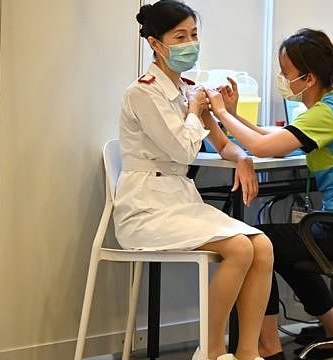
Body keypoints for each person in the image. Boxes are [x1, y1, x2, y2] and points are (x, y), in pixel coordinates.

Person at [205, 29, 333, 359]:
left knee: (258, 241)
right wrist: (232, 114)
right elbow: (272, 137)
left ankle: (267, 344)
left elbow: (262, 146)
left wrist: (219, 113)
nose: (281, 78)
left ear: (309, 77)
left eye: (285, 72)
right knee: (287, 250)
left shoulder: (326, 114)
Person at [113, 2, 272, 360]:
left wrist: (242, 157)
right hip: (144, 208)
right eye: (180, 37)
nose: (190, 44)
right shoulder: (142, 92)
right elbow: (184, 151)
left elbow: (219, 142)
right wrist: (194, 110)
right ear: (156, 44)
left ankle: (248, 352)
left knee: (261, 245)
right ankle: (212, 350)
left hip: (178, 199)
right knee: (239, 247)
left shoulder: (188, 88)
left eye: (194, 35)